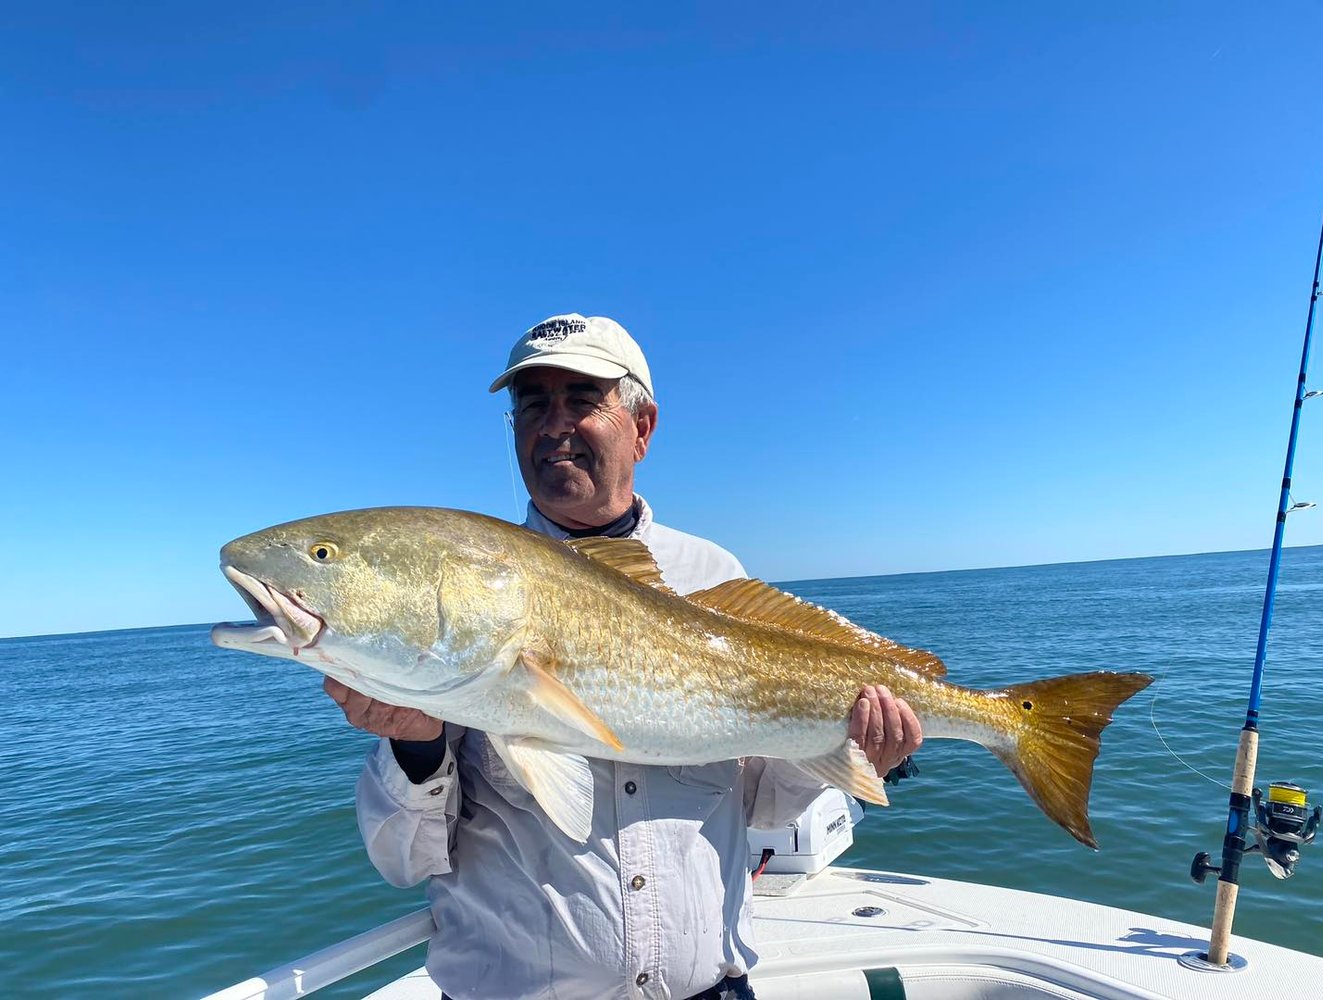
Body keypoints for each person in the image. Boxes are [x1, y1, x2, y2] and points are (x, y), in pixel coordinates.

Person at [324, 313, 923, 1000]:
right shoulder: (465, 586)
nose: (553, 424)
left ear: (642, 428)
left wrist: (850, 758)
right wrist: (416, 750)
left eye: (582, 400)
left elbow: (762, 805)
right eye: (531, 405)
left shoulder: (710, 575)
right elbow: (405, 861)